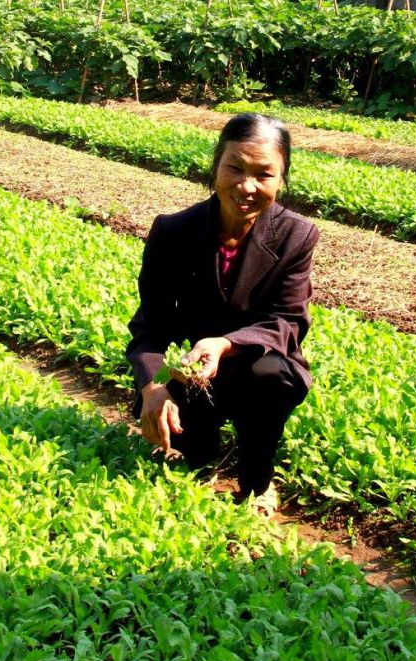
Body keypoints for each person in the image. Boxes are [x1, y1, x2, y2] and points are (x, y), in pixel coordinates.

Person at [126, 112, 318, 516]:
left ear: (281, 179)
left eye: (264, 174)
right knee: (190, 459)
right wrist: (153, 387)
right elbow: (150, 328)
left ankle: (257, 483)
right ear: (216, 165)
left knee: (271, 376)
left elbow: (288, 321)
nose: (246, 186)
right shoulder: (173, 231)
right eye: (235, 168)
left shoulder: (296, 236)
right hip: (190, 373)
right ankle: (200, 450)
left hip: (256, 366)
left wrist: (225, 343)